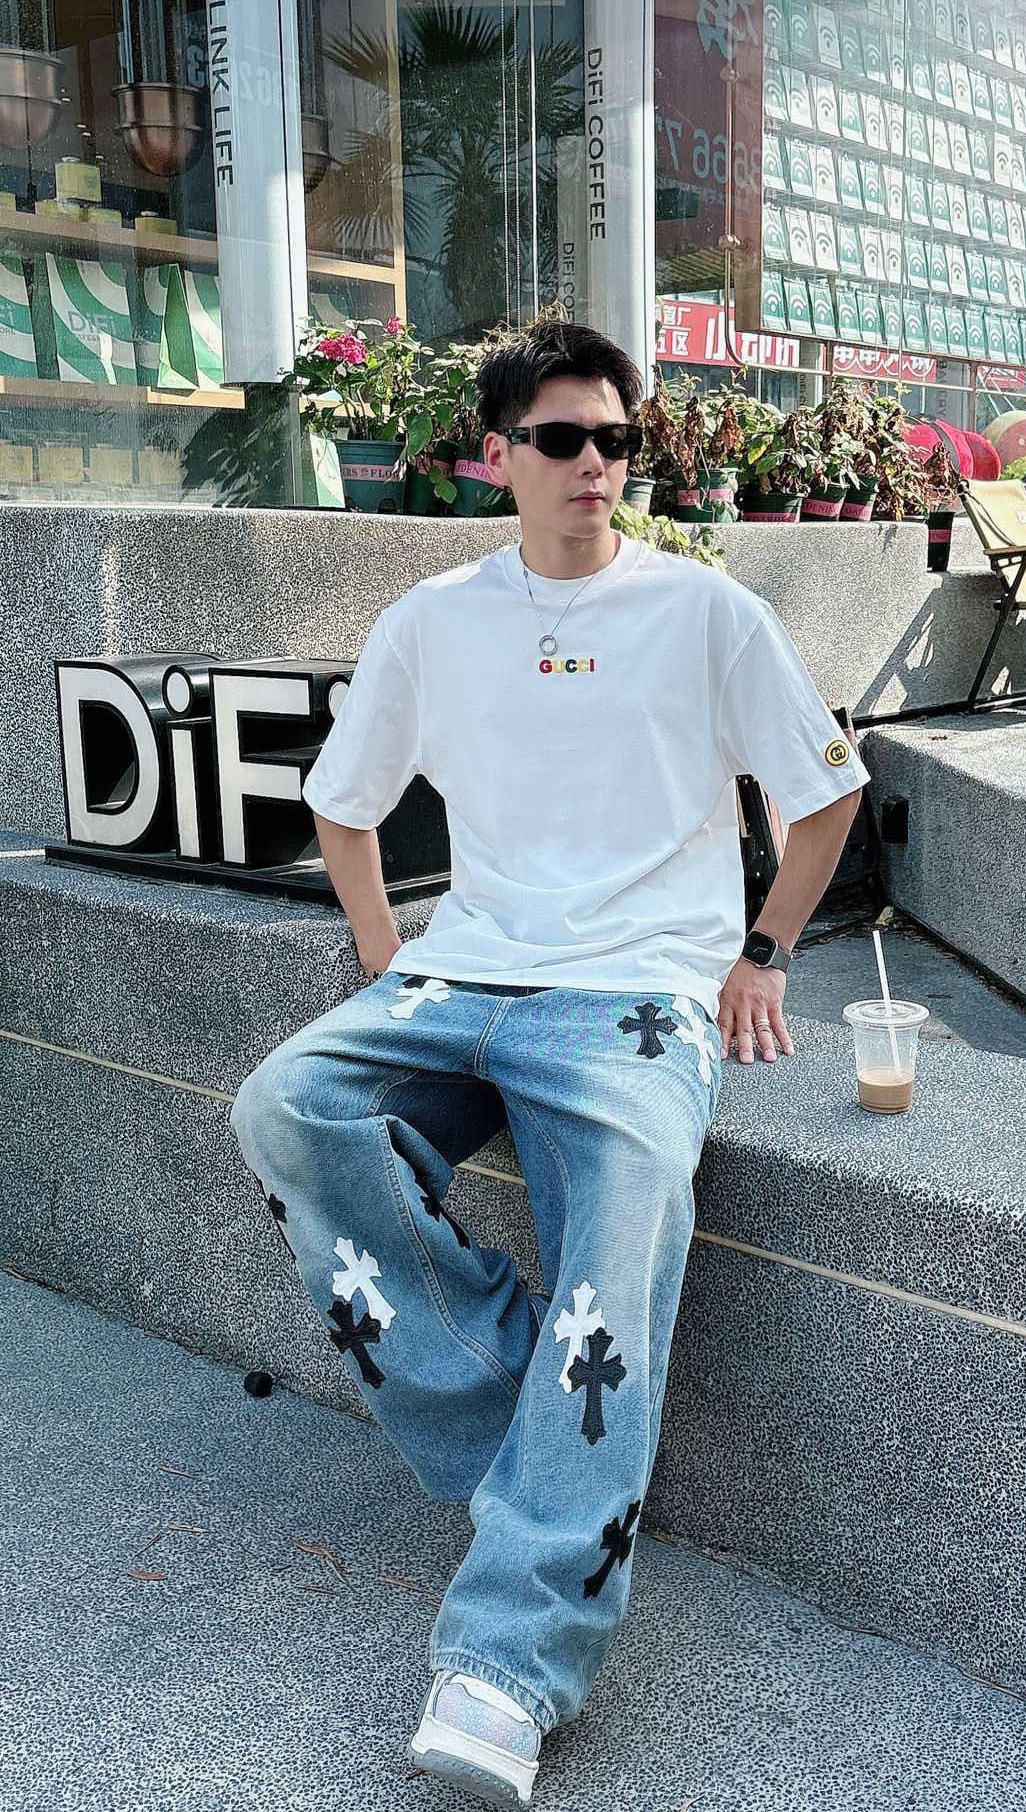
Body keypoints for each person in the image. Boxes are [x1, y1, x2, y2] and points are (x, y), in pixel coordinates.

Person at [229, 321, 869, 1807]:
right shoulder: (433, 620)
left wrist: (762, 954)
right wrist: (386, 957)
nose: (597, 465)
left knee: (624, 1230)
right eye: (565, 439)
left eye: (617, 441)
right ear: (497, 457)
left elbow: (826, 792)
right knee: (289, 1107)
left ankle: (508, 1663)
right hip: (462, 974)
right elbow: (344, 803)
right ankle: (543, 1422)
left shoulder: (704, 611)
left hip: (638, 993)